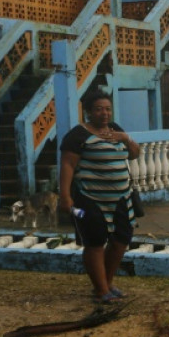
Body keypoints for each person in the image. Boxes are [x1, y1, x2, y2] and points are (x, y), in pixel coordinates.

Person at [59, 89, 140, 304]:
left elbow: (134, 154)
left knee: (121, 240)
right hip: (89, 200)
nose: (104, 113)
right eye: (98, 109)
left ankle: (108, 282)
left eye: (107, 109)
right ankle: (101, 290)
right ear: (88, 112)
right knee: (94, 242)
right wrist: (65, 197)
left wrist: (126, 138)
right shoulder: (78, 135)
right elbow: (67, 165)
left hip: (122, 198)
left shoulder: (116, 130)